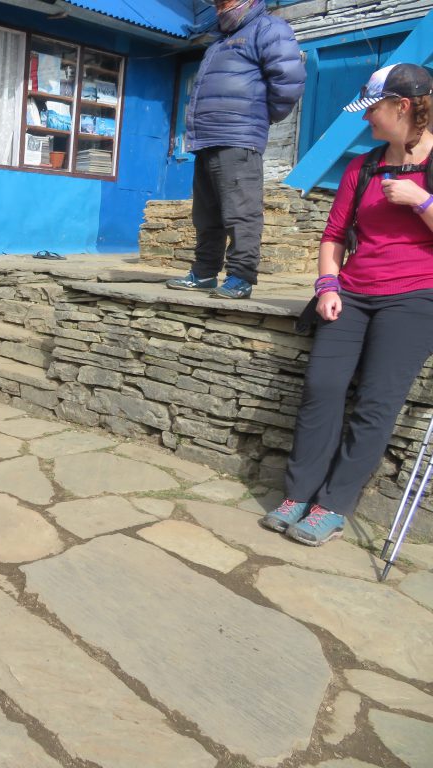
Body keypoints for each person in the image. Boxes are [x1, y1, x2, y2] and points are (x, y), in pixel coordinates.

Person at [262, 63, 433, 546]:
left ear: (402, 106)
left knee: (377, 403)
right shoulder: (362, 168)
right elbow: (334, 235)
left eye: (373, 110)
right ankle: (299, 493)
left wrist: (421, 201)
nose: (366, 119)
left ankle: (333, 504)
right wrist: (327, 286)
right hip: (352, 293)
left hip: (416, 296)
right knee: (322, 386)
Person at [166, 0, 306, 300]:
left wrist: (259, 116)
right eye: (216, 4)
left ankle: (240, 277)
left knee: (240, 213)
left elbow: (289, 80)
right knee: (206, 214)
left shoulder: (269, 28)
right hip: (206, 139)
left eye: (224, 3)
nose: (218, 8)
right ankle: (204, 273)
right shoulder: (220, 40)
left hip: (238, 137)